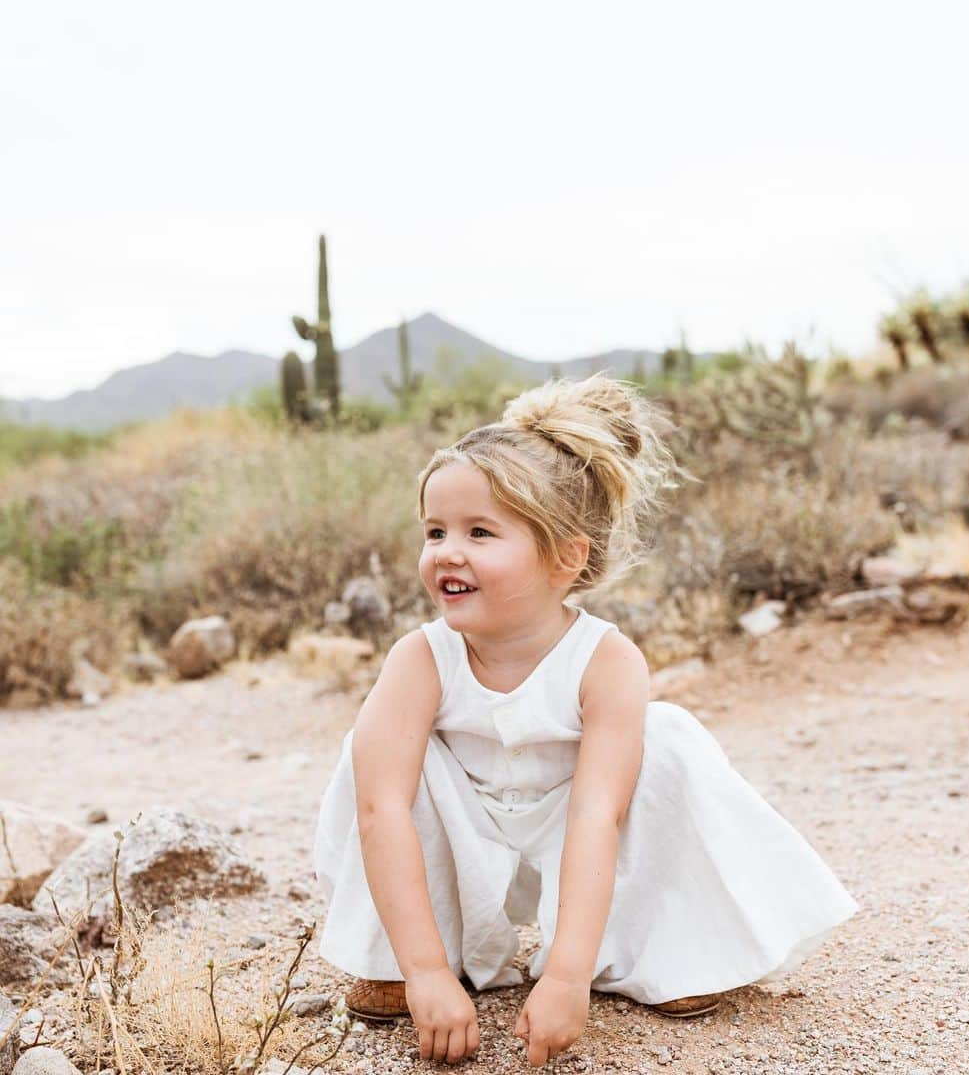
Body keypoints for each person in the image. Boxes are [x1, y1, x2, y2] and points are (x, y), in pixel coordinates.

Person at [312, 372, 859, 1067]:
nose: (448, 551)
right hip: (463, 826)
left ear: (566, 558)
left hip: (573, 824)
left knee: (670, 742)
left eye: (481, 532)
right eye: (435, 531)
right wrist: (425, 972)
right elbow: (381, 809)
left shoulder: (605, 661)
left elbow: (598, 817)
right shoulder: (421, 658)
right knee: (374, 754)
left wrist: (566, 976)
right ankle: (400, 953)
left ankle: (667, 948)